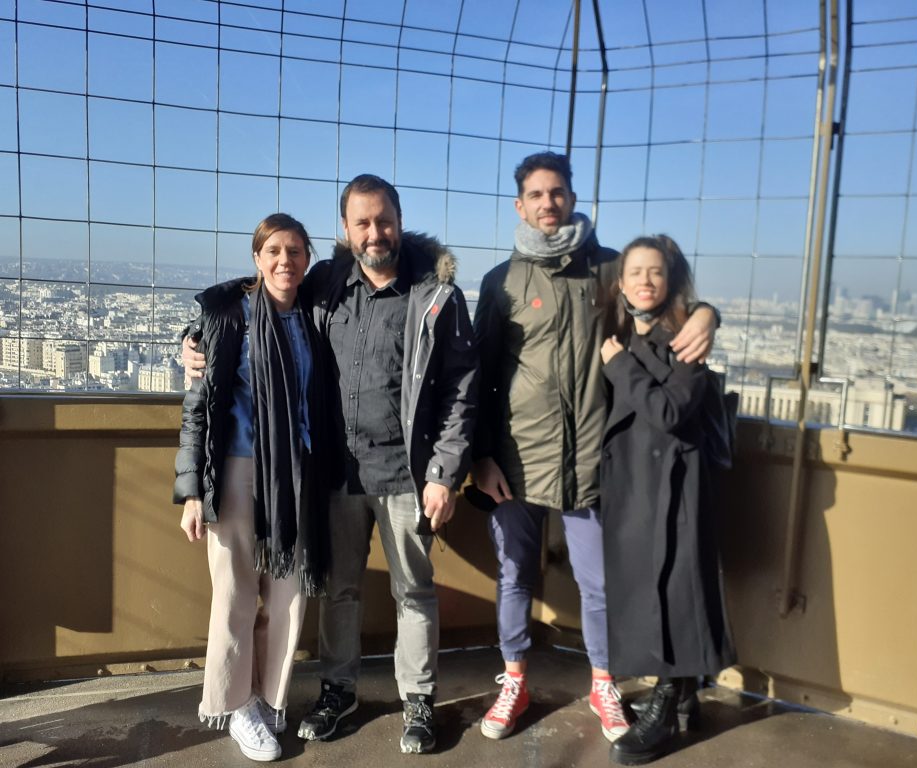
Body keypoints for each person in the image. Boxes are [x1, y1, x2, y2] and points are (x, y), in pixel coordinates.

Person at [182, 175, 477, 755]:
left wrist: (444, 473)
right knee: (337, 589)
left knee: (412, 591)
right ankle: (337, 692)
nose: (375, 233)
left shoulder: (435, 294)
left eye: (384, 220)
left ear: (399, 219)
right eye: (361, 223)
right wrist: (192, 337)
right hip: (335, 473)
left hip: (405, 473)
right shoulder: (327, 284)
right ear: (344, 231)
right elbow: (253, 297)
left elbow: (462, 389)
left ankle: (417, 701)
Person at [471, 152, 719, 742]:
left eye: (557, 192)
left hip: (591, 460)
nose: (548, 203)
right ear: (519, 205)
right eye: (536, 194)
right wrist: (480, 456)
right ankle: (514, 679)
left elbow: (670, 303)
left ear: (573, 198)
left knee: (599, 583)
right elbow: (477, 373)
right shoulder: (500, 282)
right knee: (513, 578)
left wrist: (709, 313)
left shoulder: (611, 272)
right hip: (514, 460)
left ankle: (603, 681)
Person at [173, 213, 332, 762]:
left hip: (297, 473)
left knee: (288, 595)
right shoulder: (228, 317)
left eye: (295, 252)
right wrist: (194, 491)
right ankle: (236, 704)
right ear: (257, 260)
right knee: (236, 592)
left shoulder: (314, 314)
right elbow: (198, 408)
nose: (285, 261)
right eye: (274, 252)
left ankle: (271, 695)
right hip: (237, 468)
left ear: (308, 259)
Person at [599, 235, 735, 766]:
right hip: (635, 484)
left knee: (677, 589)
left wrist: (621, 367)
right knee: (657, 586)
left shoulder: (685, 340)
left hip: (675, 485)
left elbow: (673, 412)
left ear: (671, 281)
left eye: (656, 272)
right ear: (621, 280)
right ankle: (681, 696)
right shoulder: (622, 333)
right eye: (635, 271)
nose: (644, 281)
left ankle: (667, 699)